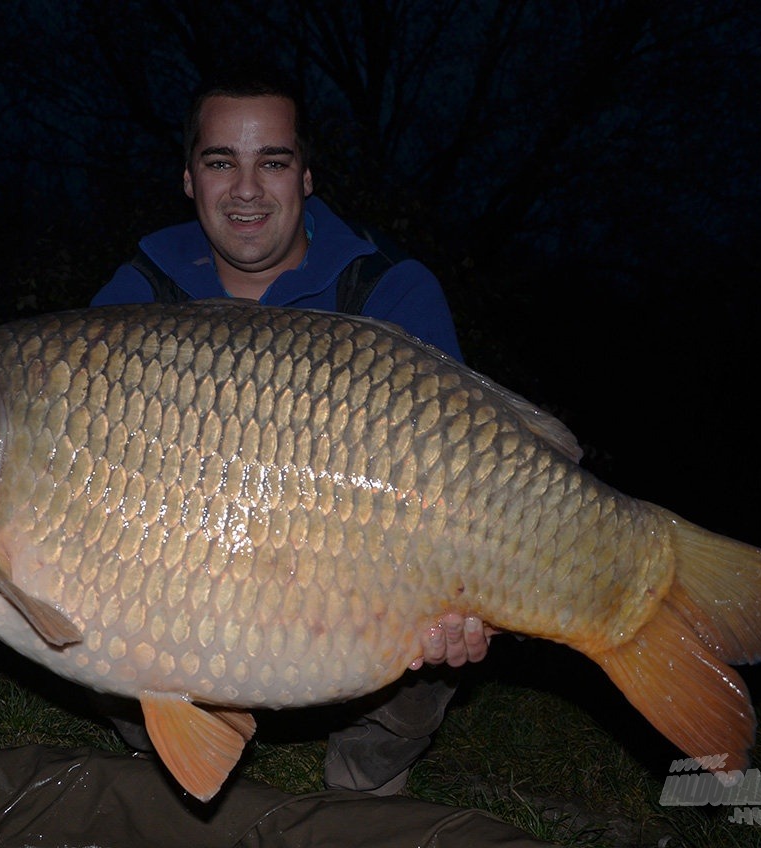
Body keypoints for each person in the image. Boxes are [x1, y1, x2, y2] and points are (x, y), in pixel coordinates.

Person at [83, 71, 494, 797]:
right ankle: (180, 749)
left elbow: (464, 481)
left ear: (306, 178)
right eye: (220, 163)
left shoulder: (390, 291)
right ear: (188, 178)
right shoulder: (135, 297)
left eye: (272, 162)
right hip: (192, 579)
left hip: (351, 584)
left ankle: (366, 777)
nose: (246, 188)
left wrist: (473, 595)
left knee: (445, 611)